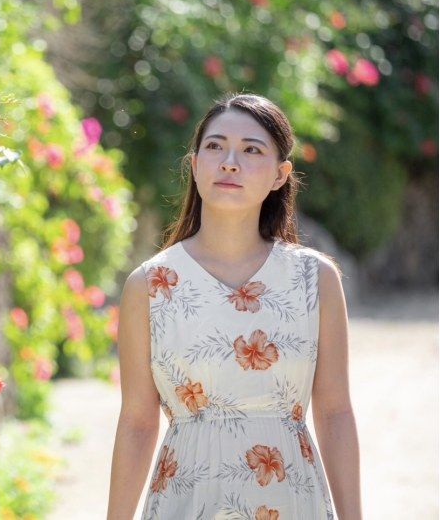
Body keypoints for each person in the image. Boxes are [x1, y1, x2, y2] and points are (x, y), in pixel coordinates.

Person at [106, 93, 361, 519]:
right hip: (186, 503)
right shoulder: (149, 285)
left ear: (281, 176)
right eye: (215, 146)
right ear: (195, 164)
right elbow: (136, 422)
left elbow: (335, 412)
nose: (229, 161)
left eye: (251, 150)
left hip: (291, 501)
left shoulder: (314, 280)